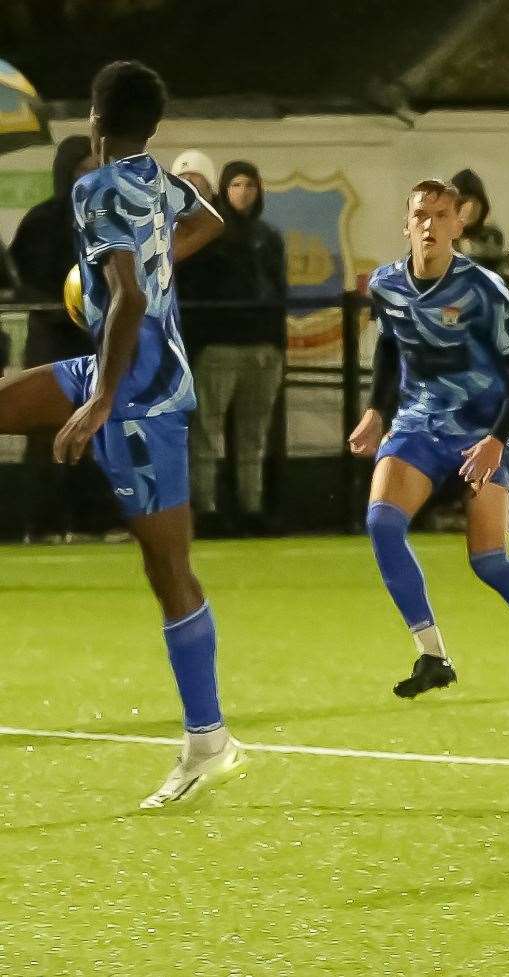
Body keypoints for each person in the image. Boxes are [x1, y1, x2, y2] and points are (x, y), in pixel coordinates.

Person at [0, 60, 244, 807]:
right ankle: (211, 739)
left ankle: (209, 741)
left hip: (139, 397)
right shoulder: (157, 181)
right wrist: (153, 263)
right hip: (119, 373)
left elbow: (129, 295)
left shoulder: (96, 187)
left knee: (168, 572)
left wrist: (103, 396)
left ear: (95, 122)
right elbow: (211, 221)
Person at [347, 178, 509, 699]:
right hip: (419, 423)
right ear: (406, 223)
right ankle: (433, 655)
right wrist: (377, 410)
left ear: (458, 223)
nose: (429, 224)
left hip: (480, 430)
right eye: (420, 215)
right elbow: (389, 345)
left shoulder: (485, 291)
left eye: (440, 215)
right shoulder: (386, 284)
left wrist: (497, 439)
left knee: (488, 561)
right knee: (382, 524)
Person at [8, 134, 115, 542]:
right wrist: (60, 306)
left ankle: (94, 521)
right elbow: (20, 284)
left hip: (94, 343)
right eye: (82, 168)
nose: (90, 175)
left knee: (95, 432)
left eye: (95, 168)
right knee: (44, 432)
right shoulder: (42, 220)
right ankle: (43, 523)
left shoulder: (108, 219)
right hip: (50, 344)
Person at [186, 160, 288, 536]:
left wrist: (278, 345)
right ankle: (207, 508)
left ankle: (251, 507)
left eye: (250, 185)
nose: (243, 193)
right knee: (208, 431)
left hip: (262, 348)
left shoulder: (269, 237)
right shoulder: (208, 234)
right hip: (219, 346)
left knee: (253, 435)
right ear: (224, 189)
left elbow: (280, 293)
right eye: (236, 185)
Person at [451, 168, 509, 287]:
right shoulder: (435, 236)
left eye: (475, 203)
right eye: (463, 202)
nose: (469, 209)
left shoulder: (492, 236)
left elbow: (505, 276)